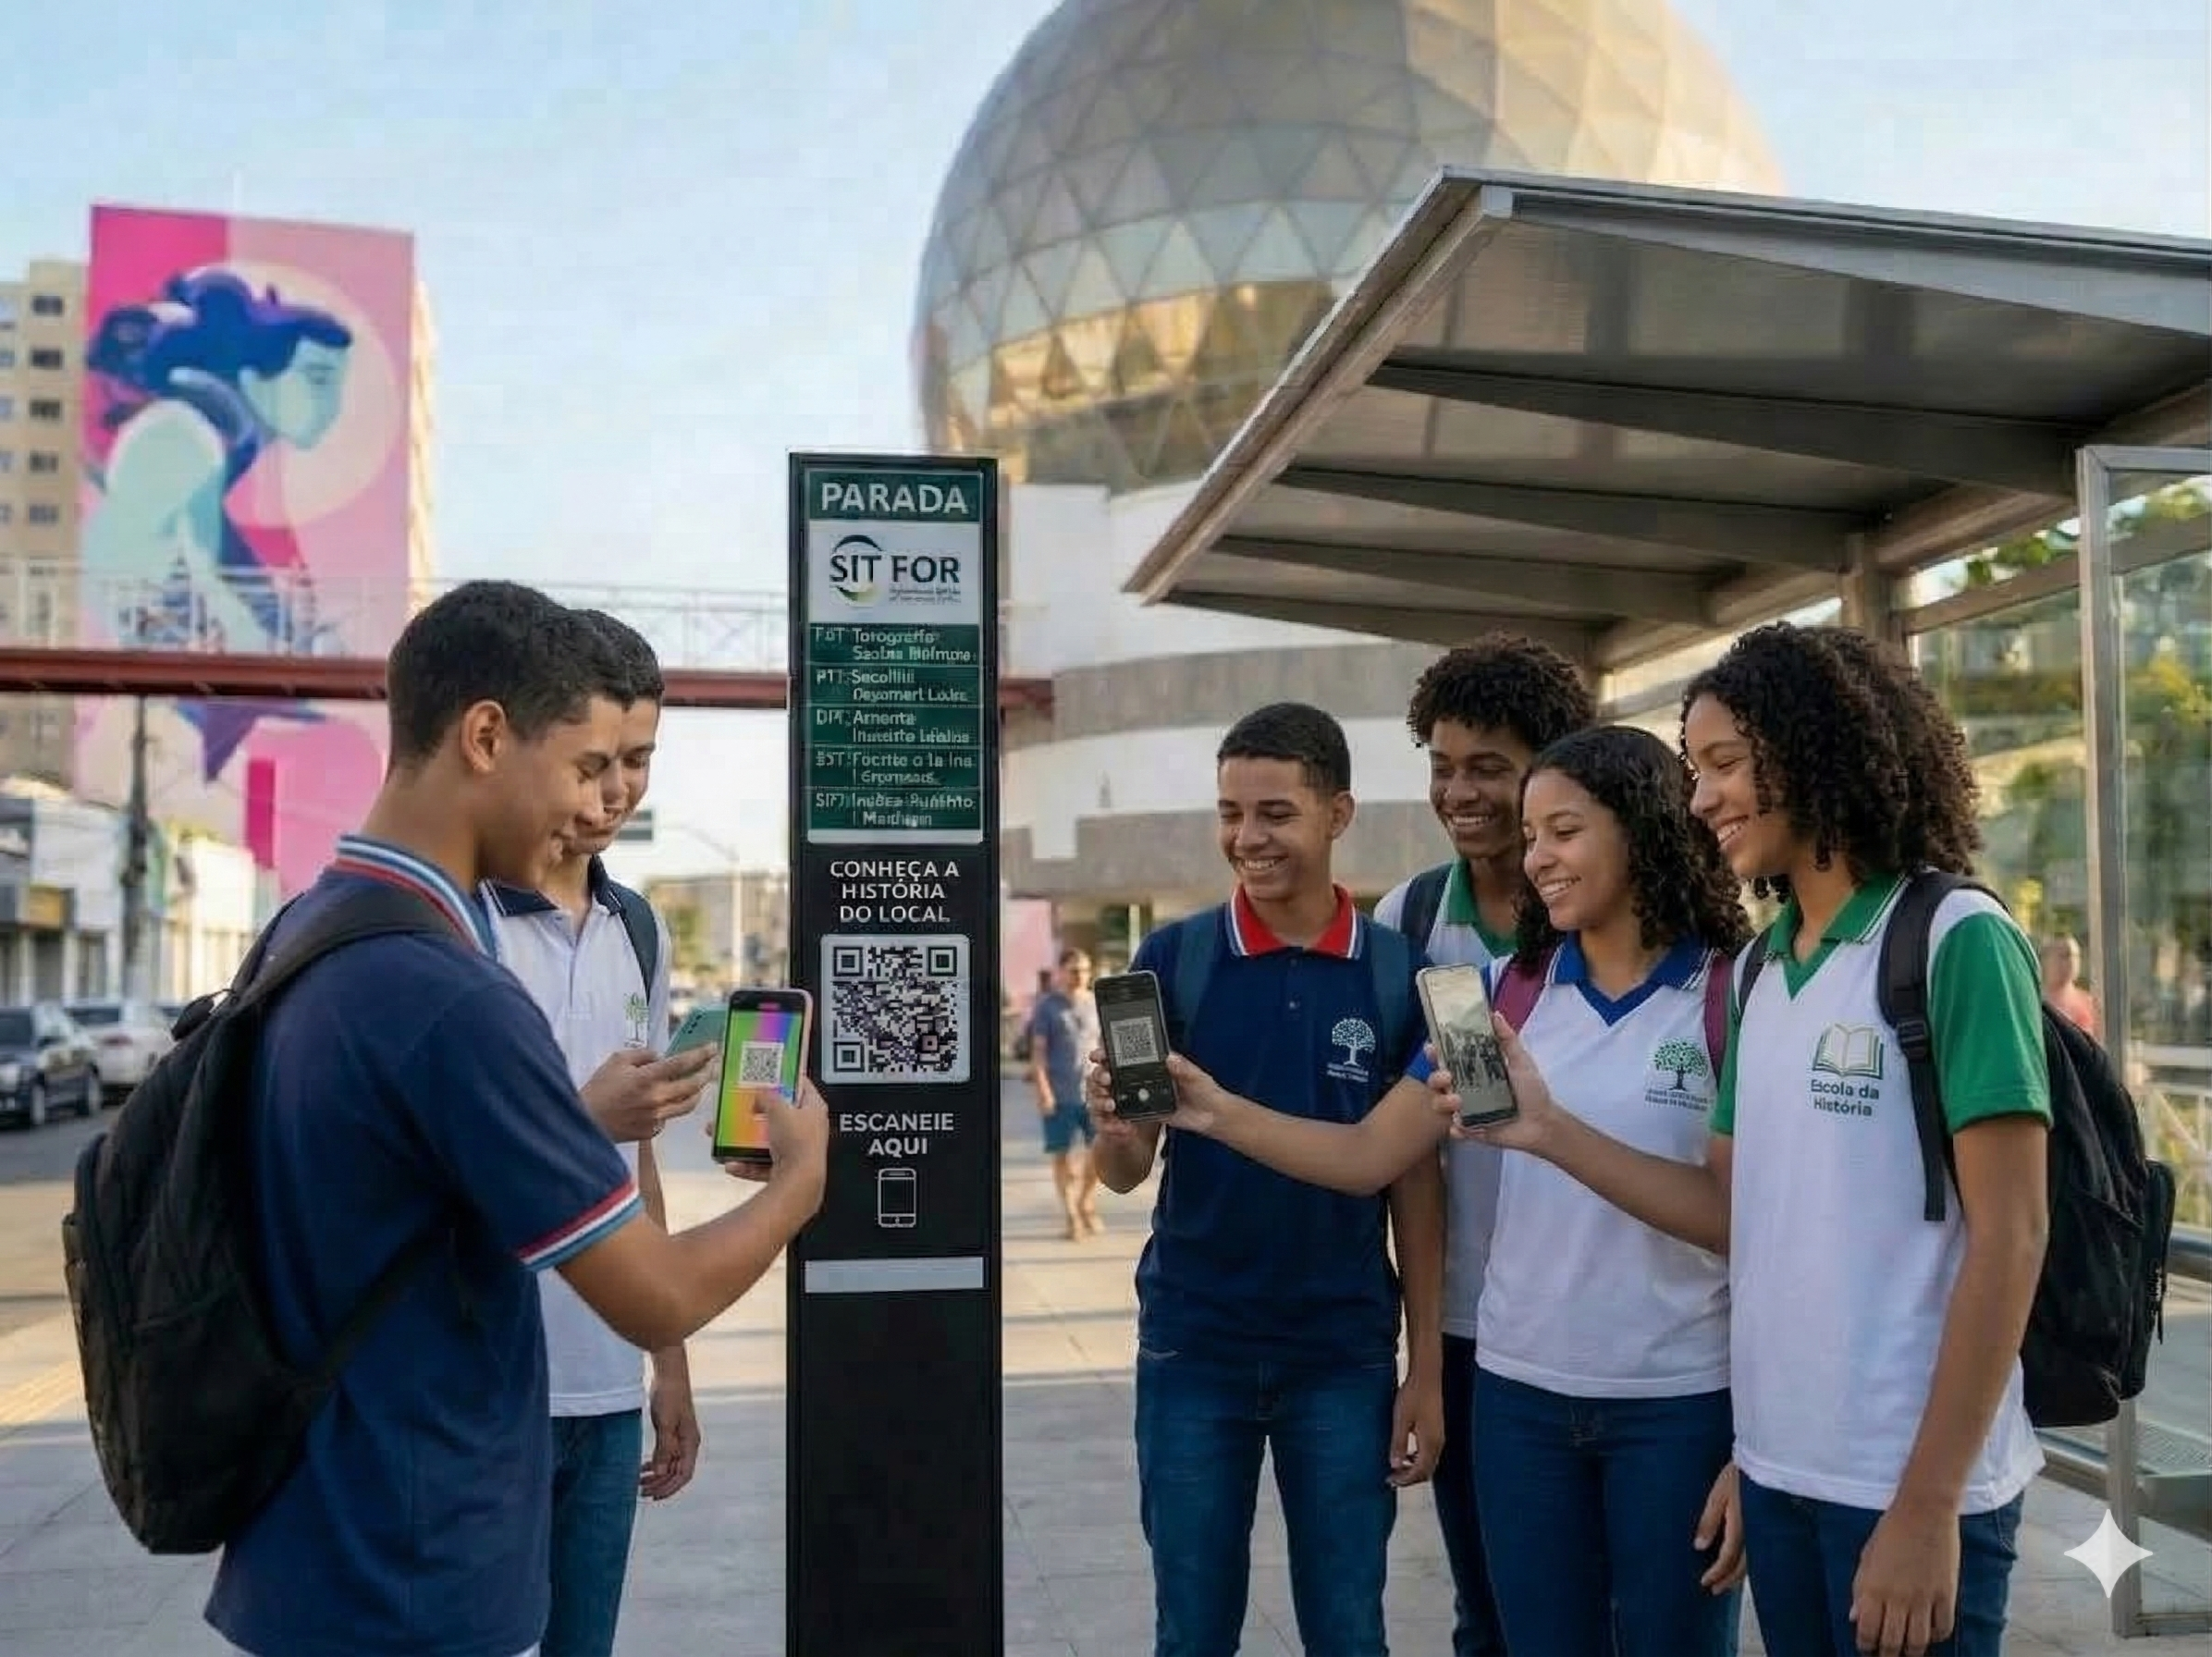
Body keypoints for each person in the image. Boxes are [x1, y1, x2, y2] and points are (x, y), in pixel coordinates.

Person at [203, 580, 830, 1657]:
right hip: (416, 1567)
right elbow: (657, 1290)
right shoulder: (447, 989)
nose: (598, 805)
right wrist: (799, 1182)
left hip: (321, 1539)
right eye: (584, 765)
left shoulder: (310, 934)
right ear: (488, 736)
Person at [1432, 621, 2050, 1657]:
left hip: (1904, 1491)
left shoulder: (1955, 940)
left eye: (1724, 764)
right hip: (1782, 1476)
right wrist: (1546, 1131)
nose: (1702, 796)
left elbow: (2013, 1237)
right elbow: (1736, 1221)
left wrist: (1927, 1506)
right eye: (1694, 770)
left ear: (1813, 752)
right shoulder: (1763, 971)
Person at [1150, 723, 1751, 1654]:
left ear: (1643, 829)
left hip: (1676, 1401)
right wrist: (1217, 1111)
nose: (1536, 857)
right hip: (1519, 1402)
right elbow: (1367, 1158)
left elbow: (1742, 1222)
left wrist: (1552, 1131)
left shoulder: (1729, 996)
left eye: (1564, 832)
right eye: (1532, 833)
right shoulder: (1485, 1000)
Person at [1085, 701, 1445, 1657]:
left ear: (1338, 813)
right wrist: (1113, 1128)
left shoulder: (1395, 976)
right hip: (1191, 1347)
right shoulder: (1174, 960)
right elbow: (1126, 1172)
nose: (1248, 837)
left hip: (1341, 1353)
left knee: (1346, 1627)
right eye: (1230, 812)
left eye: (1275, 812)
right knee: (1193, 1628)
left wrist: (1427, 1372)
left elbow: (1413, 1187)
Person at [482, 608, 716, 1657]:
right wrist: (582, 1117)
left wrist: (666, 1356)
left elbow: (640, 1163)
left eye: (640, 760)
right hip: (486, 1388)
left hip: (607, 1383)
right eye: (597, 760)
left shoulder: (637, 927)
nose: (617, 790)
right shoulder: (457, 923)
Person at [1371, 632, 1595, 1657]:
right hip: (1469, 1332)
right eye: (1441, 765)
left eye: (1488, 768)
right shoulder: (1413, 923)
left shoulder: (1618, 920)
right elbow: (1404, 1155)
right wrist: (1423, 1356)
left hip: (1617, 1331)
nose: (1458, 793)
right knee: (1495, 1616)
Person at [1027, 947, 1103, 1238]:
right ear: (1061, 972)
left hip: (1094, 1092)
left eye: (1084, 970)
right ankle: (1072, 1216)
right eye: (1074, 970)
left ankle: (1086, 1201)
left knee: (1099, 1154)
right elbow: (1038, 1053)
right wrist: (1043, 1090)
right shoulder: (1047, 1007)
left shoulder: (1097, 1003)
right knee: (1062, 1158)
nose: (1080, 976)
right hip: (1059, 1094)